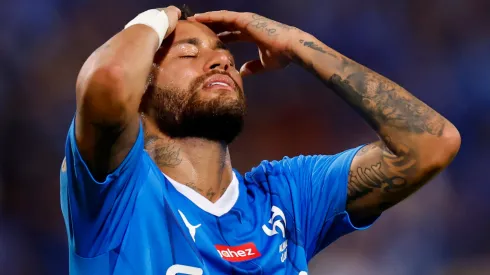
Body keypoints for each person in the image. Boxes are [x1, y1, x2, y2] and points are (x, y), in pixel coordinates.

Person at [60, 5, 461, 275]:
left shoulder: (286, 196)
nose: (220, 59)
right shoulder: (117, 192)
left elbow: (431, 144)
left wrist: (298, 45)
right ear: (142, 85)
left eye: (224, 54)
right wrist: (155, 17)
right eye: (188, 52)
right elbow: (108, 82)